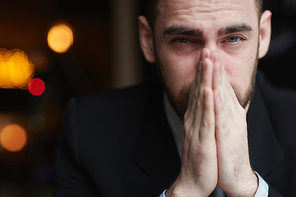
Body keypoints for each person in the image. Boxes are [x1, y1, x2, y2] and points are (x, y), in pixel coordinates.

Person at [53, 0, 296, 196]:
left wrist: (248, 188)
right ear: (148, 41)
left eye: (233, 39)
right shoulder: (88, 131)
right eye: (184, 40)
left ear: (263, 36)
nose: (211, 67)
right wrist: (185, 191)